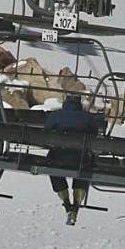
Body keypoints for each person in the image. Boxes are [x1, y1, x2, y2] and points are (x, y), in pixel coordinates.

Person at [44, 93, 95, 226]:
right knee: (85, 163)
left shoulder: (55, 115)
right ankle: (77, 203)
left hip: (58, 158)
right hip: (80, 160)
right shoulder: (87, 118)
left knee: (52, 164)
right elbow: (94, 134)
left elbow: (46, 131)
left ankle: (66, 201)